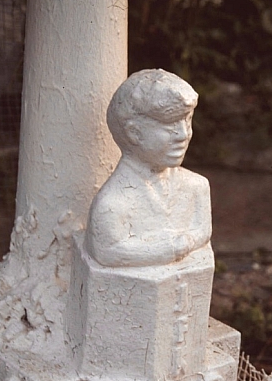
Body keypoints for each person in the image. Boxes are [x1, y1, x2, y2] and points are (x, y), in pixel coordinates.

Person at [85, 69, 212, 267]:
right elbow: (107, 252)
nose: (183, 134)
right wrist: (170, 249)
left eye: (187, 121)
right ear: (134, 133)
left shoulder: (197, 187)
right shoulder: (112, 205)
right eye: (170, 125)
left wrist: (183, 244)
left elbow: (203, 231)